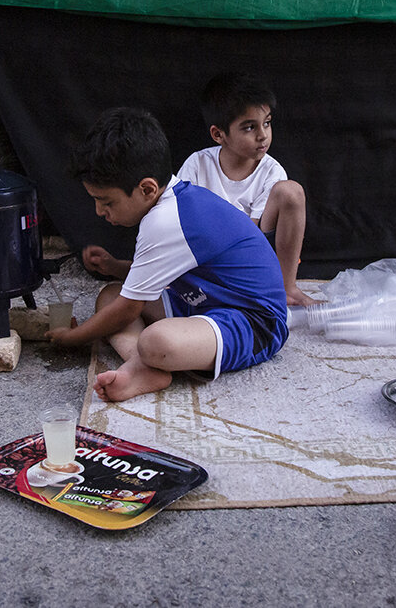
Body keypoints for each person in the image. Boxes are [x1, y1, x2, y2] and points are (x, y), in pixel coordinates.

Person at [50, 107, 288, 403]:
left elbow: (128, 310)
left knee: (155, 339)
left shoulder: (165, 220)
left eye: (106, 201)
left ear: (147, 189)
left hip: (254, 321)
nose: (100, 211)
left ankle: (145, 360)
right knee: (110, 295)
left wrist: (73, 338)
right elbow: (147, 278)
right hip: (203, 301)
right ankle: (140, 366)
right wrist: (114, 267)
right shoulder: (174, 200)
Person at [176, 72, 318, 306]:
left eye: (267, 123)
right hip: (206, 258)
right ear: (218, 134)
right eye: (250, 127)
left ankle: (287, 288)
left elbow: (249, 234)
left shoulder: (272, 172)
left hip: (253, 257)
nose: (263, 135)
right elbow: (179, 220)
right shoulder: (197, 165)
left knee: (291, 192)